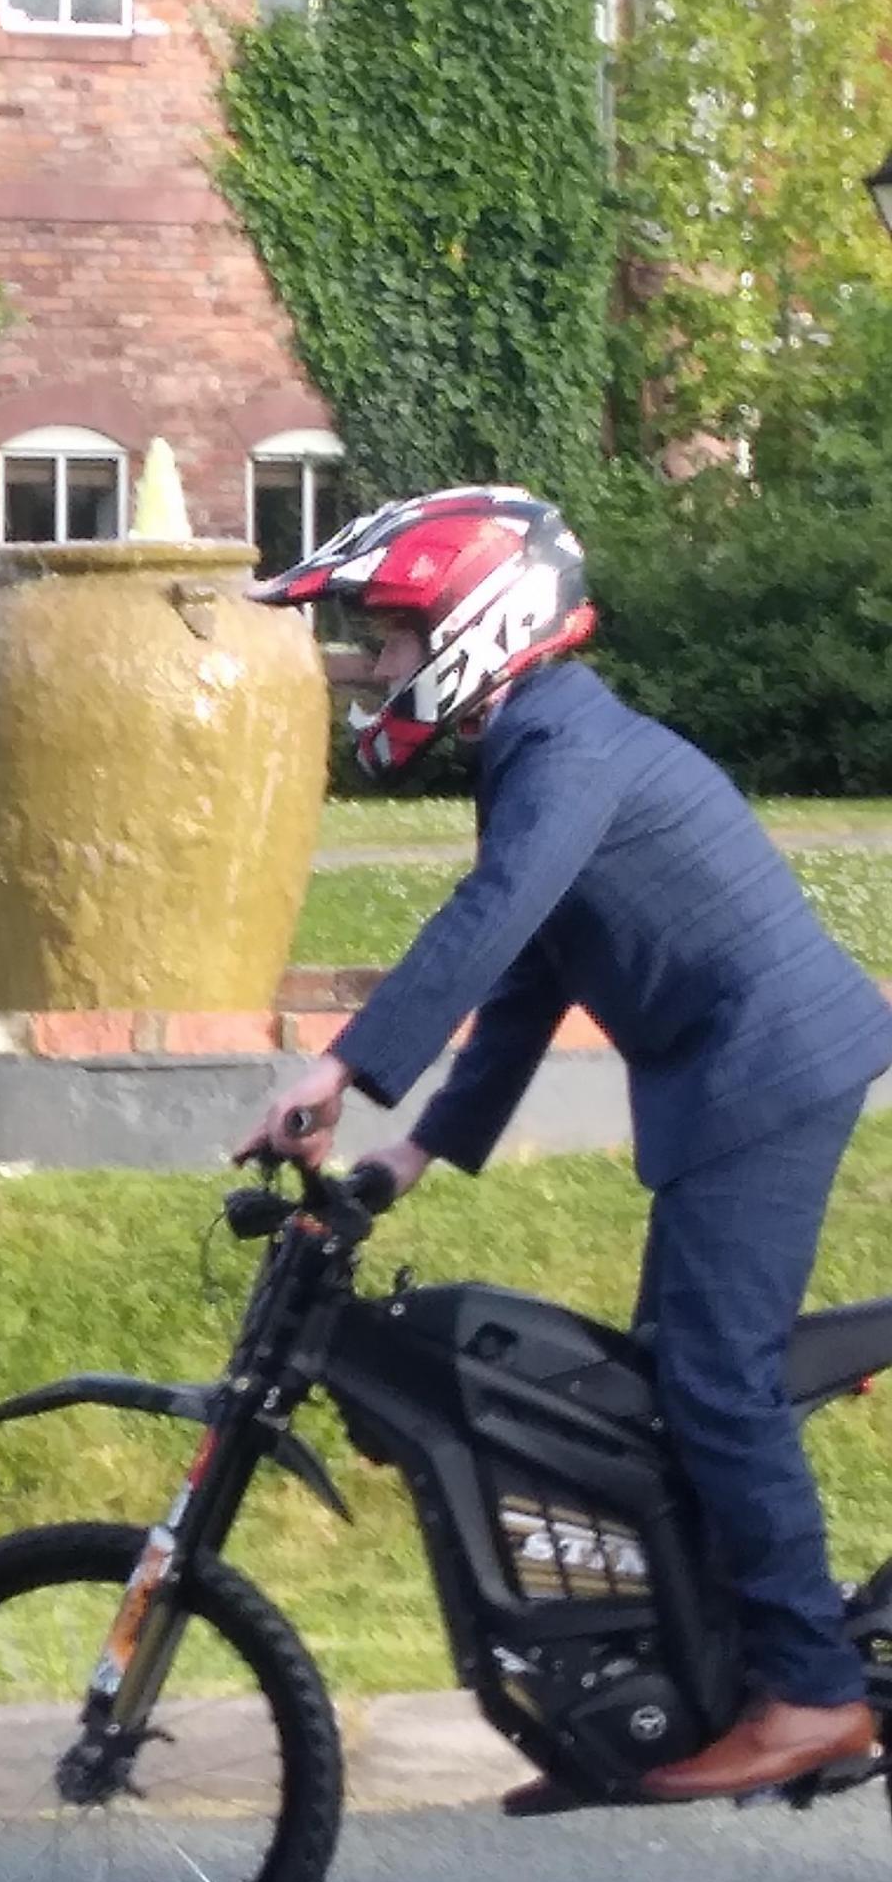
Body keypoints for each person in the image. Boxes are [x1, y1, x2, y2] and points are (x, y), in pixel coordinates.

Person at [237, 485, 892, 1808]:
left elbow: (490, 918)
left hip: (764, 1076)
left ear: (482, 625)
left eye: (397, 637)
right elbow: (536, 974)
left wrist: (343, 1067)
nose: (378, 666)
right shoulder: (543, 746)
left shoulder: (565, 750)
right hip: (736, 1080)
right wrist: (409, 1154)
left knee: (714, 1385)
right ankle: (658, 1707)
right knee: (660, 1403)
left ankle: (813, 1692)